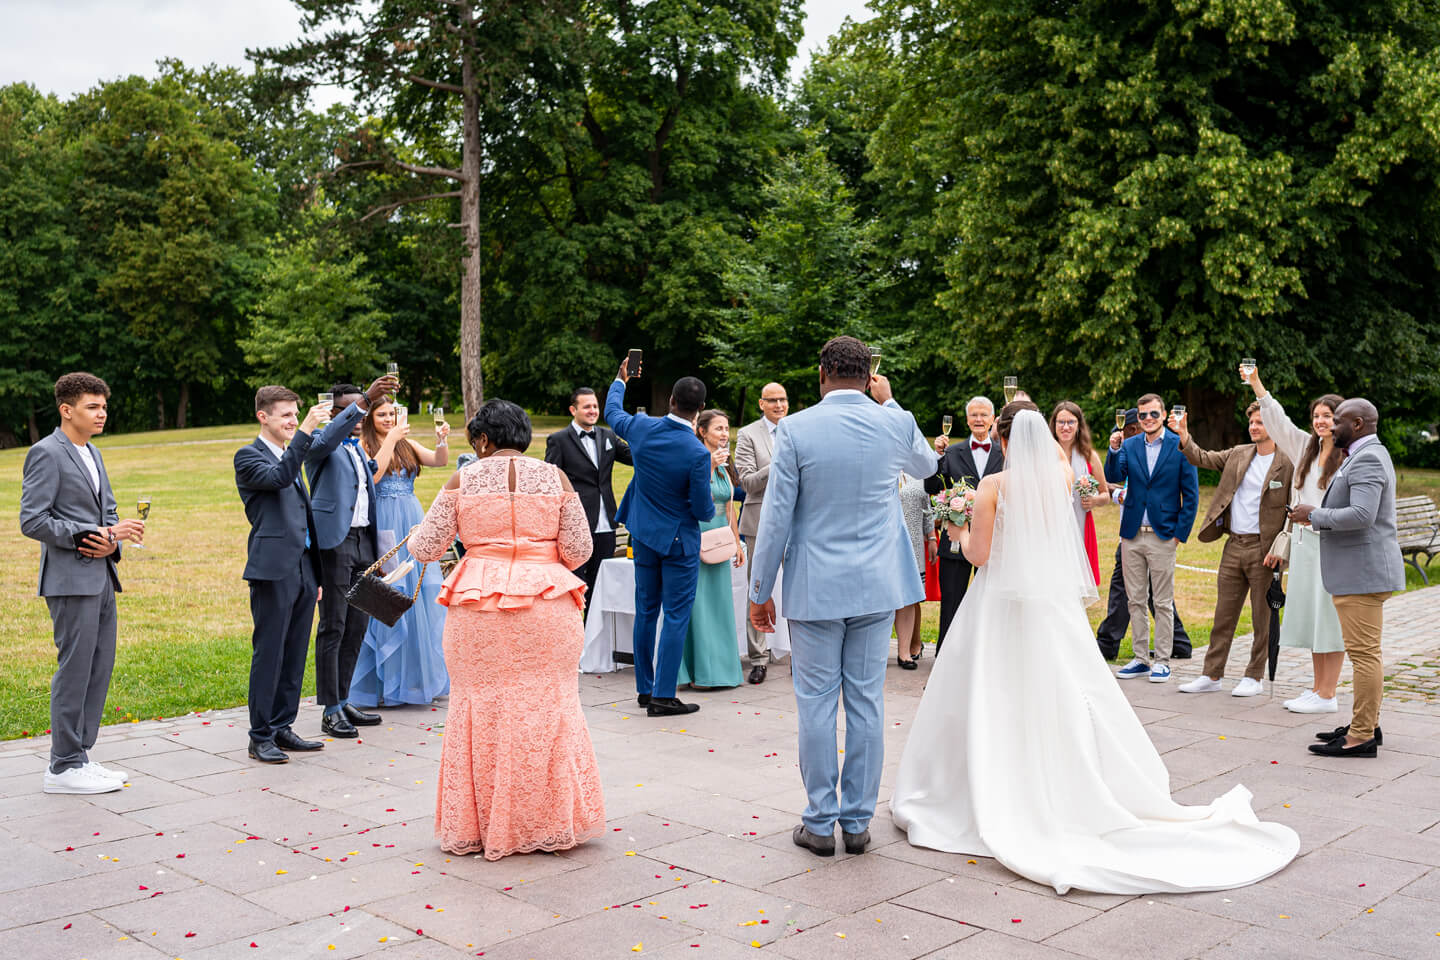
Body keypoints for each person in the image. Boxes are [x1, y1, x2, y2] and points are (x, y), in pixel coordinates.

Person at [891, 404, 1299, 894]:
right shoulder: (1061, 475)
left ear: (1003, 441)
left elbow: (979, 554)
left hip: (998, 600)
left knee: (992, 687)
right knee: (1060, 684)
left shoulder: (995, 488)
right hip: (1048, 604)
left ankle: (985, 781)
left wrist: (954, 526)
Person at [749, 335, 935, 858]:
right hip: (877, 585)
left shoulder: (797, 428)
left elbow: (777, 514)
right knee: (867, 703)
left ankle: (819, 820)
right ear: (869, 374)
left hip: (815, 585)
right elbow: (926, 465)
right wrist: (892, 401)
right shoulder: (892, 421)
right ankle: (856, 823)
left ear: (822, 373)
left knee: (815, 705)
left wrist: (760, 590)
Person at [407, 400, 605, 856]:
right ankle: (549, 820)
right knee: (551, 706)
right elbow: (579, 548)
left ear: (482, 439)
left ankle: (486, 823)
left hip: (479, 606)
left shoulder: (464, 478)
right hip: (547, 605)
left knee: (481, 707)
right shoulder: (554, 477)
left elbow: (425, 548)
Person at [20, 373, 144, 794]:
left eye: (103, 406)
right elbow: (32, 520)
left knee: (98, 668)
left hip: (102, 575)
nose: (102, 413)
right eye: (93, 407)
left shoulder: (93, 452)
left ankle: (80, 756)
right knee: (74, 671)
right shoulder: (46, 453)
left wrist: (113, 541)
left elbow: (106, 513)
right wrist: (88, 534)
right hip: (70, 580)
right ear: (66, 410)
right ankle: (62, 767)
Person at [1290, 398, 1407, 758]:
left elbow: (1362, 514)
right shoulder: (1362, 453)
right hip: (1358, 571)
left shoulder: (1368, 456)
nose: (1330, 426)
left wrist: (1316, 514)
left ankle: (1361, 737)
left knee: (1365, 655)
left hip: (1363, 573)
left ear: (1357, 424)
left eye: (1337, 420)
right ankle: (1365, 722)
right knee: (1364, 653)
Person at [605, 364, 715, 717]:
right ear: (700, 409)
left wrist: (621, 380)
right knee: (677, 615)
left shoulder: (641, 428)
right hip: (679, 542)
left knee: (646, 611)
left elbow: (611, 413)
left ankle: (644, 688)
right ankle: (663, 696)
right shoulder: (698, 453)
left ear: (670, 401)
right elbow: (702, 510)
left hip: (644, 535)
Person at [234, 386, 336, 763]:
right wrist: (307, 431)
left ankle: (281, 726)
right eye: (286, 416)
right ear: (263, 417)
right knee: (270, 653)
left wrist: (316, 576)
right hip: (272, 569)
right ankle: (259, 735)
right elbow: (278, 477)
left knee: (294, 654)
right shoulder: (248, 457)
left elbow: (302, 517)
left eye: (296, 415)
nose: (293, 421)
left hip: (304, 570)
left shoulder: (290, 454)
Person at [1174, 403, 1294, 697]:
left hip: (1265, 550)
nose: (1254, 427)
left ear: (1274, 427)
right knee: (1223, 615)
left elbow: (1294, 507)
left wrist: (1282, 547)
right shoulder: (1239, 454)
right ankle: (1211, 675)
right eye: (1252, 422)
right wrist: (1184, 435)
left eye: (1260, 423)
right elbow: (1201, 457)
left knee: (1261, 618)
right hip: (1234, 545)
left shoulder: (1288, 462)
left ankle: (1254, 676)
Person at [1247, 367, 1348, 713]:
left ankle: (1329, 693)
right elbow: (1279, 422)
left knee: (1329, 619)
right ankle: (1318, 688)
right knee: (1311, 618)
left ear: (1342, 419)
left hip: (1331, 543)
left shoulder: (1348, 458)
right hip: (1304, 544)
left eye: (1328, 416)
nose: (1321, 421)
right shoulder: (1306, 447)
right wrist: (1257, 385)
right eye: (1317, 416)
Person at [304, 378, 397, 738]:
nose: (358, 416)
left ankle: (343, 699)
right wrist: (365, 400)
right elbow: (326, 440)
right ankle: (329, 709)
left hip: (363, 542)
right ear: (333, 412)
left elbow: (369, 480)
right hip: (335, 543)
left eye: (361, 408)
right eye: (347, 409)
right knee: (334, 625)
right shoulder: (320, 444)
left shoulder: (357, 449)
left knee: (359, 624)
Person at [348, 400, 452, 708]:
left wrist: (442, 441)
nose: (388, 419)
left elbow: (438, 461)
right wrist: (391, 438)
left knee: (420, 593)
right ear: (370, 418)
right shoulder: (365, 445)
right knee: (387, 589)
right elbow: (373, 476)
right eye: (381, 414)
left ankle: (415, 679)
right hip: (384, 522)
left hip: (411, 520)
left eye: (391, 414)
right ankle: (383, 683)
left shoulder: (406, 444)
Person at [1104, 394, 1199, 683]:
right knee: (1134, 600)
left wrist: (1177, 536)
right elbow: (1113, 474)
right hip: (1131, 534)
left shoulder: (1178, 445)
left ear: (1163, 414)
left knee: (1162, 601)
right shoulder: (1130, 445)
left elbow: (1192, 496)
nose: (1147, 420)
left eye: (1153, 415)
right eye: (1143, 415)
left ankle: (1163, 660)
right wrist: (1112, 449)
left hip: (1163, 535)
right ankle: (1141, 658)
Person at [544, 386, 632, 613]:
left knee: (601, 582)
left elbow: (635, 458)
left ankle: (595, 637)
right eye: (587, 407)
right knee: (575, 582)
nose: (593, 411)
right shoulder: (558, 440)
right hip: (576, 525)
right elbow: (551, 482)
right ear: (573, 410)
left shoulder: (608, 436)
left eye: (595, 406)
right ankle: (573, 634)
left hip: (607, 524)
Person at [925, 396, 1003, 650]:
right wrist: (936, 458)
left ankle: (985, 655)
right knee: (952, 602)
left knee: (990, 603)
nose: (979, 420)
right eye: (974, 415)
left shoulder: (1005, 453)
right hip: (957, 537)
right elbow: (932, 487)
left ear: (993, 419)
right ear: (967, 419)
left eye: (983, 415)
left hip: (993, 540)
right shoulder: (952, 452)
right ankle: (946, 655)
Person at [678, 410, 746, 689]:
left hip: (720, 539)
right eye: (718, 428)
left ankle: (720, 670)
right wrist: (708, 465)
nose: (723, 434)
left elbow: (729, 506)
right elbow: (690, 498)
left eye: (726, 429)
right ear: (702, 431)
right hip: (697, 536)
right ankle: (697, 672)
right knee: (698, 605)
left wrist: (737, 541)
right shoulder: (694, 460)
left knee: (719, 606)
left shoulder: (725, 464)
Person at [734, 382, 788, 684]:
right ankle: (759, 657)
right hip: (759, 522)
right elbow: (748, 483)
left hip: (795, 522)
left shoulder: (797, 429)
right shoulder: (748, 435)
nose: (779, 405)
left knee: (799, 585)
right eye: (773, 401)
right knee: (758, 588)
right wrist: (779, 462)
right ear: (761, 404)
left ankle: (801, 652)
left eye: (783, 400)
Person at [1050, 401, 1108, 585]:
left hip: (1080, 525)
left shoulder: (1089, 455)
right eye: (1061, 422)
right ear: (1054, 424)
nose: (1065, 427)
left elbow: (1105, 494)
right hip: (1049, 525)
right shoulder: (1044, 454)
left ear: (1079, 425)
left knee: (1076, 583)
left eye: (1071, 422)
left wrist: (1094, 500)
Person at [895, 472, 935, 668]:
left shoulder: (918, 470)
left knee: (910, 597)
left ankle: (905, 652)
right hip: (883, 544)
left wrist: (932, 538)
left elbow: (926, 507)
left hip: (913, 544)